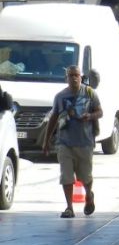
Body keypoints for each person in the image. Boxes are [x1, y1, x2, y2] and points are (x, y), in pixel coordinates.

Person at [42, 65, 103, 218]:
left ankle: (89, 195)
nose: (74, 78)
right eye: (71, 75)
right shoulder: (60, 96)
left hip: (85, 142)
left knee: (86, 176)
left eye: (77, 75)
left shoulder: (90, 93)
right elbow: (54, 117)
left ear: (81, 77)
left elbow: (100, 112)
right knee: (66, 176)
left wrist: (90, 116)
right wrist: (46, 141)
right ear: (67, 78)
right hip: (64, 142)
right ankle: (69, 207)